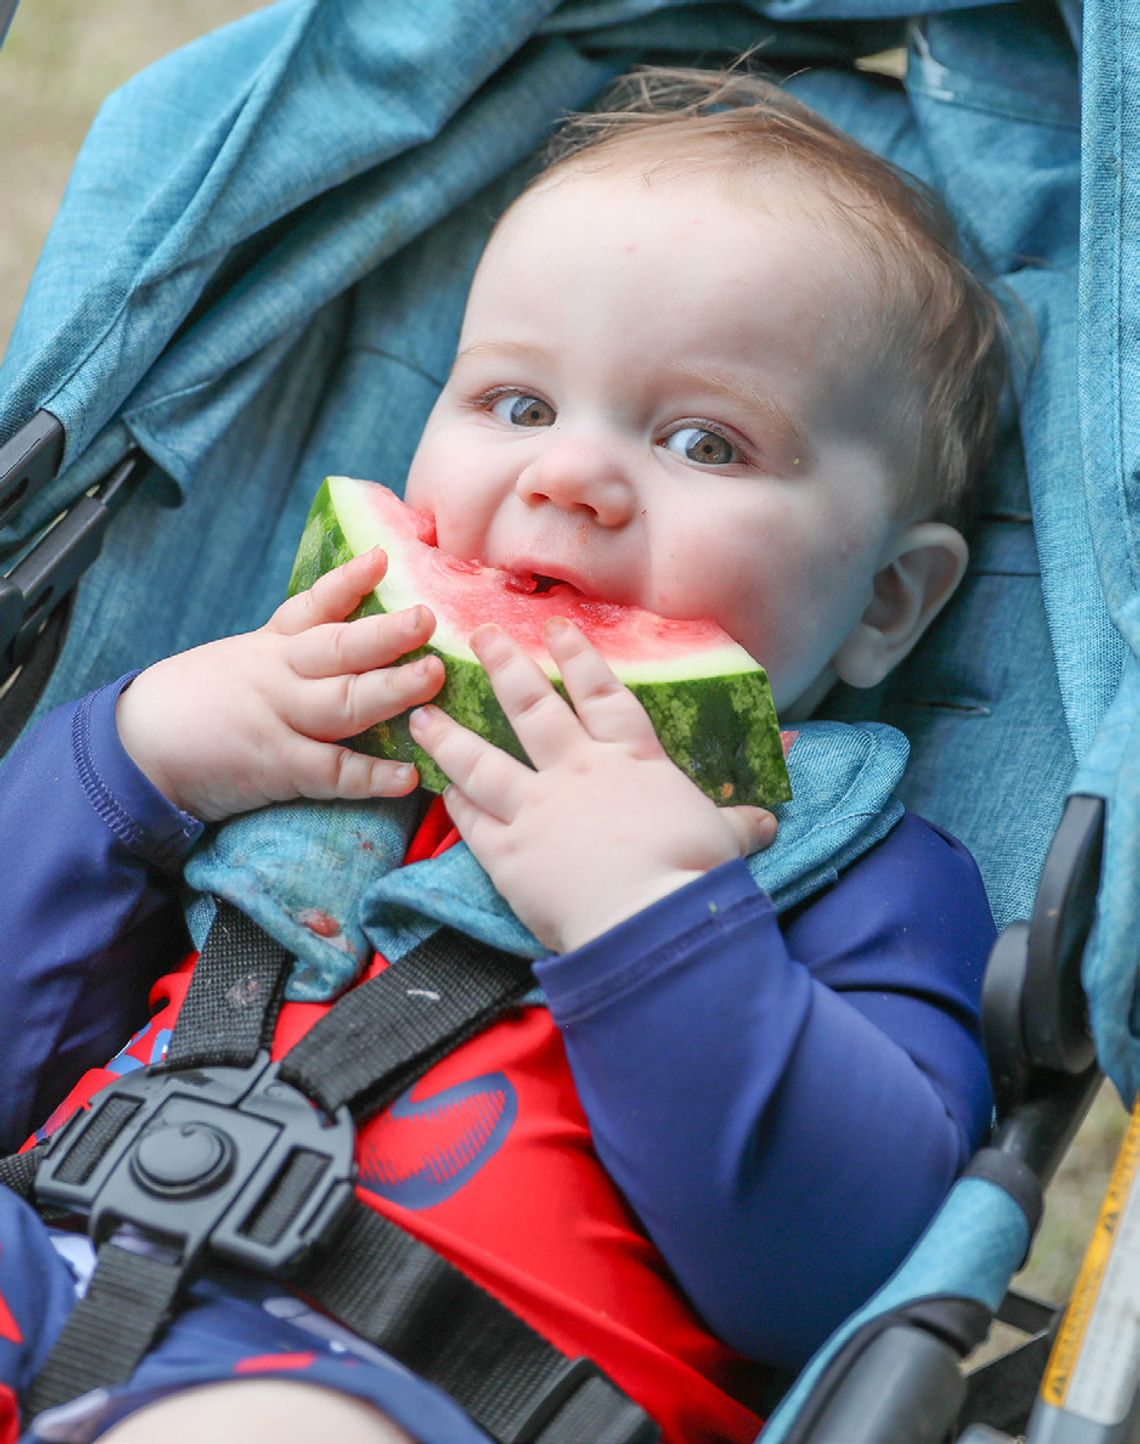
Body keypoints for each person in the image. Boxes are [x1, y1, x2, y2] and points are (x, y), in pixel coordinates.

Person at [0, 66, 1004, 1444]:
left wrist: (655, 918)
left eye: (704, 441)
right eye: (518, 405)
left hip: (409, 1390)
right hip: (48, 1273)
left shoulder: (864, 869)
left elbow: (830, 1269)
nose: (567, 476)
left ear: (889, 602)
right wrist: (131, 759)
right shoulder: (305, 719)